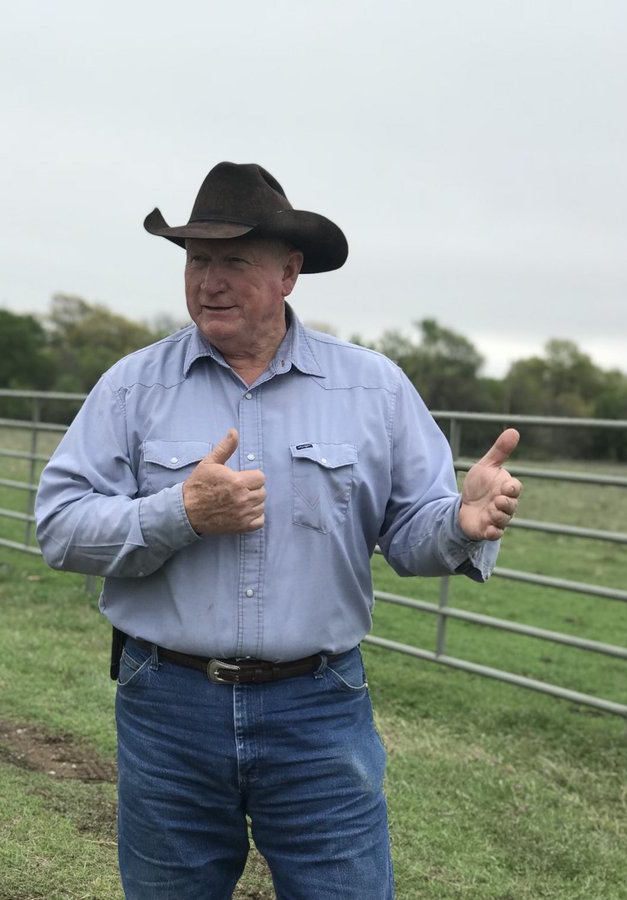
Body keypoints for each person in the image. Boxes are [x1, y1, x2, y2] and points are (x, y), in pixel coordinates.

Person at [34, 162, 522, 899]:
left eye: (234, 261)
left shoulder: (372, 388)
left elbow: (410, 536)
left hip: (318, 708)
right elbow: (59, 527)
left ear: (290, 271)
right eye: (198, 261)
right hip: (168, 704)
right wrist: (181, 514)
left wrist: (459, 520)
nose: (210, 281)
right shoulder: (134, 387)